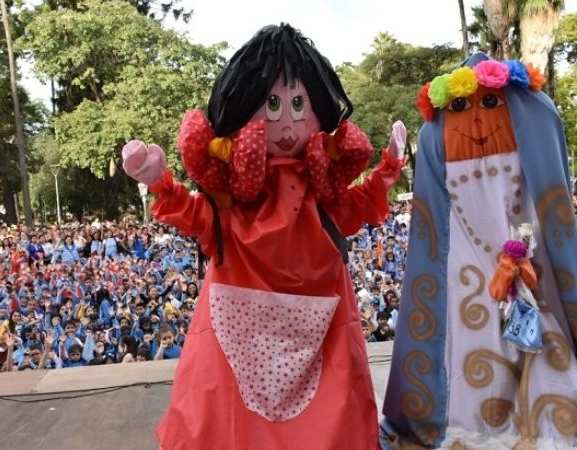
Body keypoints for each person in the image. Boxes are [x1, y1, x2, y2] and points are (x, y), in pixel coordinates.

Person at [122, 24, 405, 450]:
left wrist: (388, 168)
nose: (288, 123)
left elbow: (356, 205)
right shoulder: (230, 192)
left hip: (319, 323)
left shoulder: (320, 184)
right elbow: (199, 214)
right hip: (247, 319)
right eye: (272, 104)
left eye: (298, 104)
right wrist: (160, 183)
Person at [382, 54, 577, 449]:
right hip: (469, 274)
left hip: (526, 270)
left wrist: (523, 254)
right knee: (476, 352)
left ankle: (547, 419)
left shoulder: (526, 136)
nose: (478, 120)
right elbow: (438, 222)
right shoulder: (442, 141)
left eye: (489, 103)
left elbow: (543, 207)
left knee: (542, 348)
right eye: (463, 106)